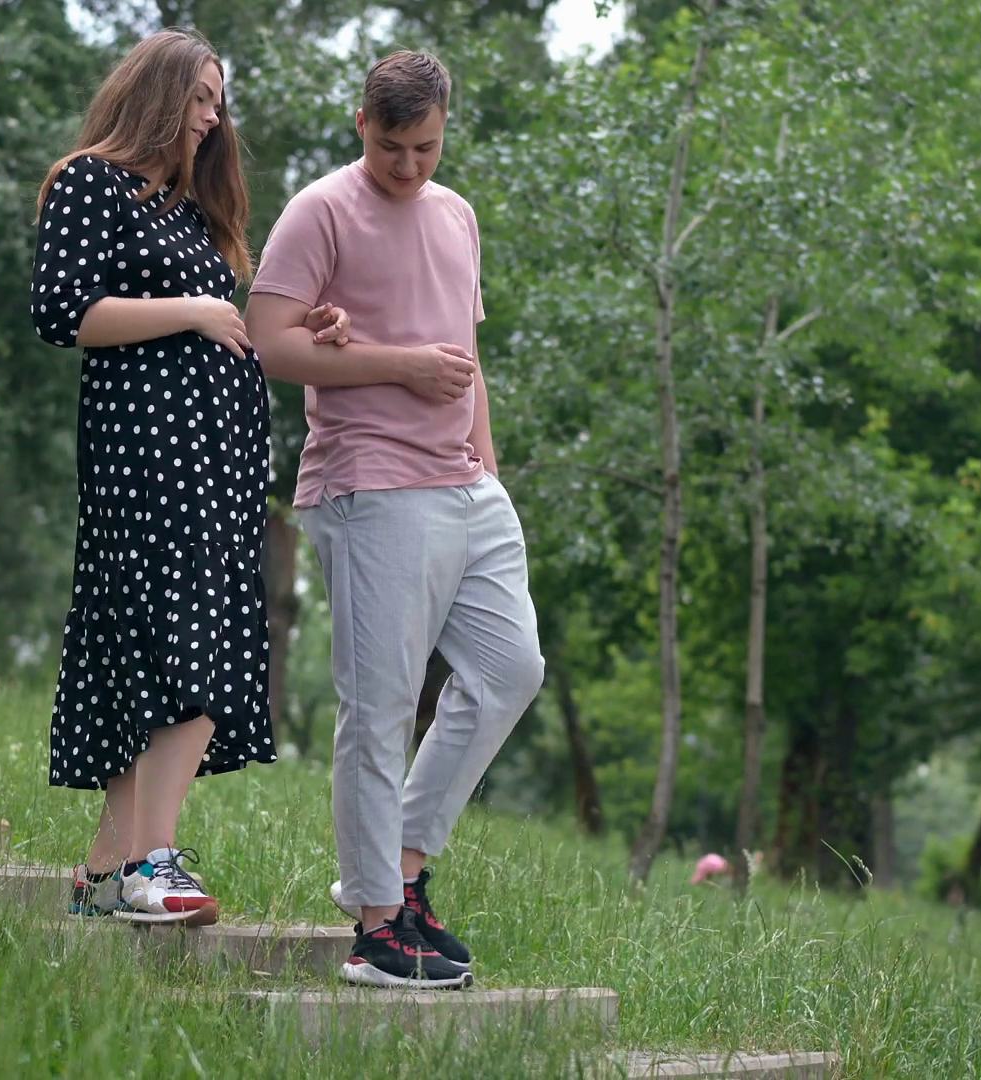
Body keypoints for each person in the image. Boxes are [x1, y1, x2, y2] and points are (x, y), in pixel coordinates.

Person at [31, 29, 350, 922]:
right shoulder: (89, 181)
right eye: (201, 98)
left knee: (177, 646)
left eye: (218, 102)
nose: (213, 118)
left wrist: (300, 326)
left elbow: (225, 323)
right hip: (146, 455)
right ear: (159, 95)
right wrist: (194, 311)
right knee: (183, 647)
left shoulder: (186, 211)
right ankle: (151, 864)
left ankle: (105, 874)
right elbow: (62, 312)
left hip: (216, 461)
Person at [248, 50, 545, 989]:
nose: (409, 166)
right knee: (379, 706)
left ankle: (405, 867)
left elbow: (465, 354)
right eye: (391, 148)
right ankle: (378, 926)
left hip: (466, 485)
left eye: (426, 147)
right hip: (369, 484)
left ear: (445, 128)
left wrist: (486, 469)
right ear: (361, 125)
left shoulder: (456, 214)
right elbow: (268, 343)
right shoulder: (321, 210)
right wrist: (398, 365)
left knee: (510, 670)